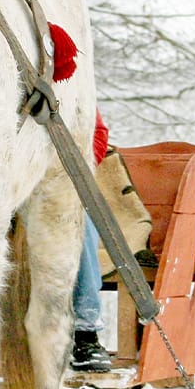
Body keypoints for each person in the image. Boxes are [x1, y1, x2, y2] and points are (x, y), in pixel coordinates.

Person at [72, 112, 113, 372]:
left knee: (79, 219)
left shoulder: (73, 82)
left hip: (58, 180)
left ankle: (85, 332)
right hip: (3, 181)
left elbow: (97, 133)